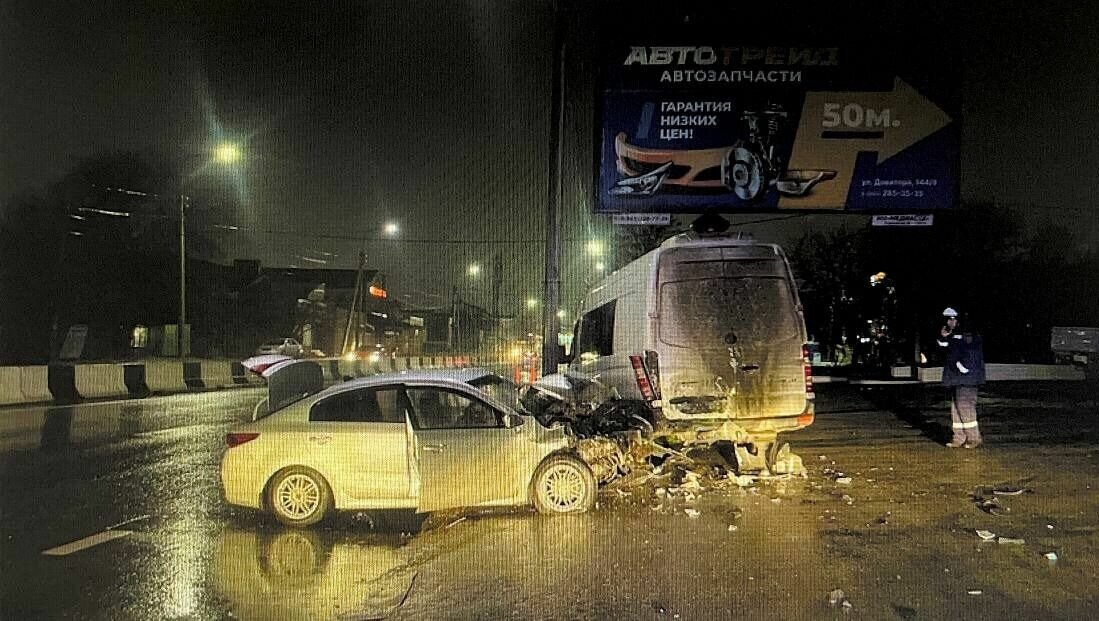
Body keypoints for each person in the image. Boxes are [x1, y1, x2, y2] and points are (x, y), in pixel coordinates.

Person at [937, 308, 986, 448]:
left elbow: (967, 353)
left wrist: (962, 366)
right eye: (948, 319)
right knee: (956, 408)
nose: (950, 322)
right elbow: (944, 348)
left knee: (965, 406)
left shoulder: (968, 334)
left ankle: (974, 438)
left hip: (966, 378)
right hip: (957, 378)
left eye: (953, 319)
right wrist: (944, 337)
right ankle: (959, 437)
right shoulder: (954, 335)